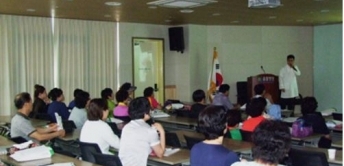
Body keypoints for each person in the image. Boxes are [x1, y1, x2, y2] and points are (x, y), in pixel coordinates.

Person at [119, 97, 166, 166]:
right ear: (145, 112)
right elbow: (160, 154)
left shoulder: (127, 127)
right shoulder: (149, 130)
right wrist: (162, 131)